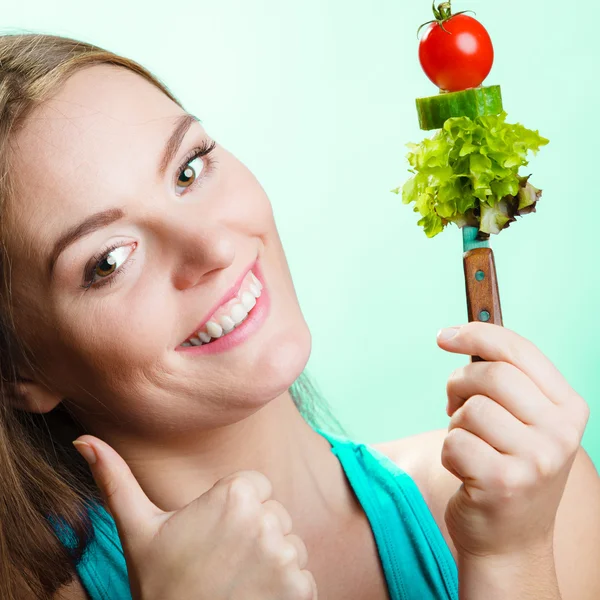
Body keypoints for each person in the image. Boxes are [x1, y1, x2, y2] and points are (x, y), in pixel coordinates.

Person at [0, 32, 598, 600]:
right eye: (109, 260)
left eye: (189, 169)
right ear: (20, 373)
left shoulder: (535, 499)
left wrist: (511, 560)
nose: (213, 248)